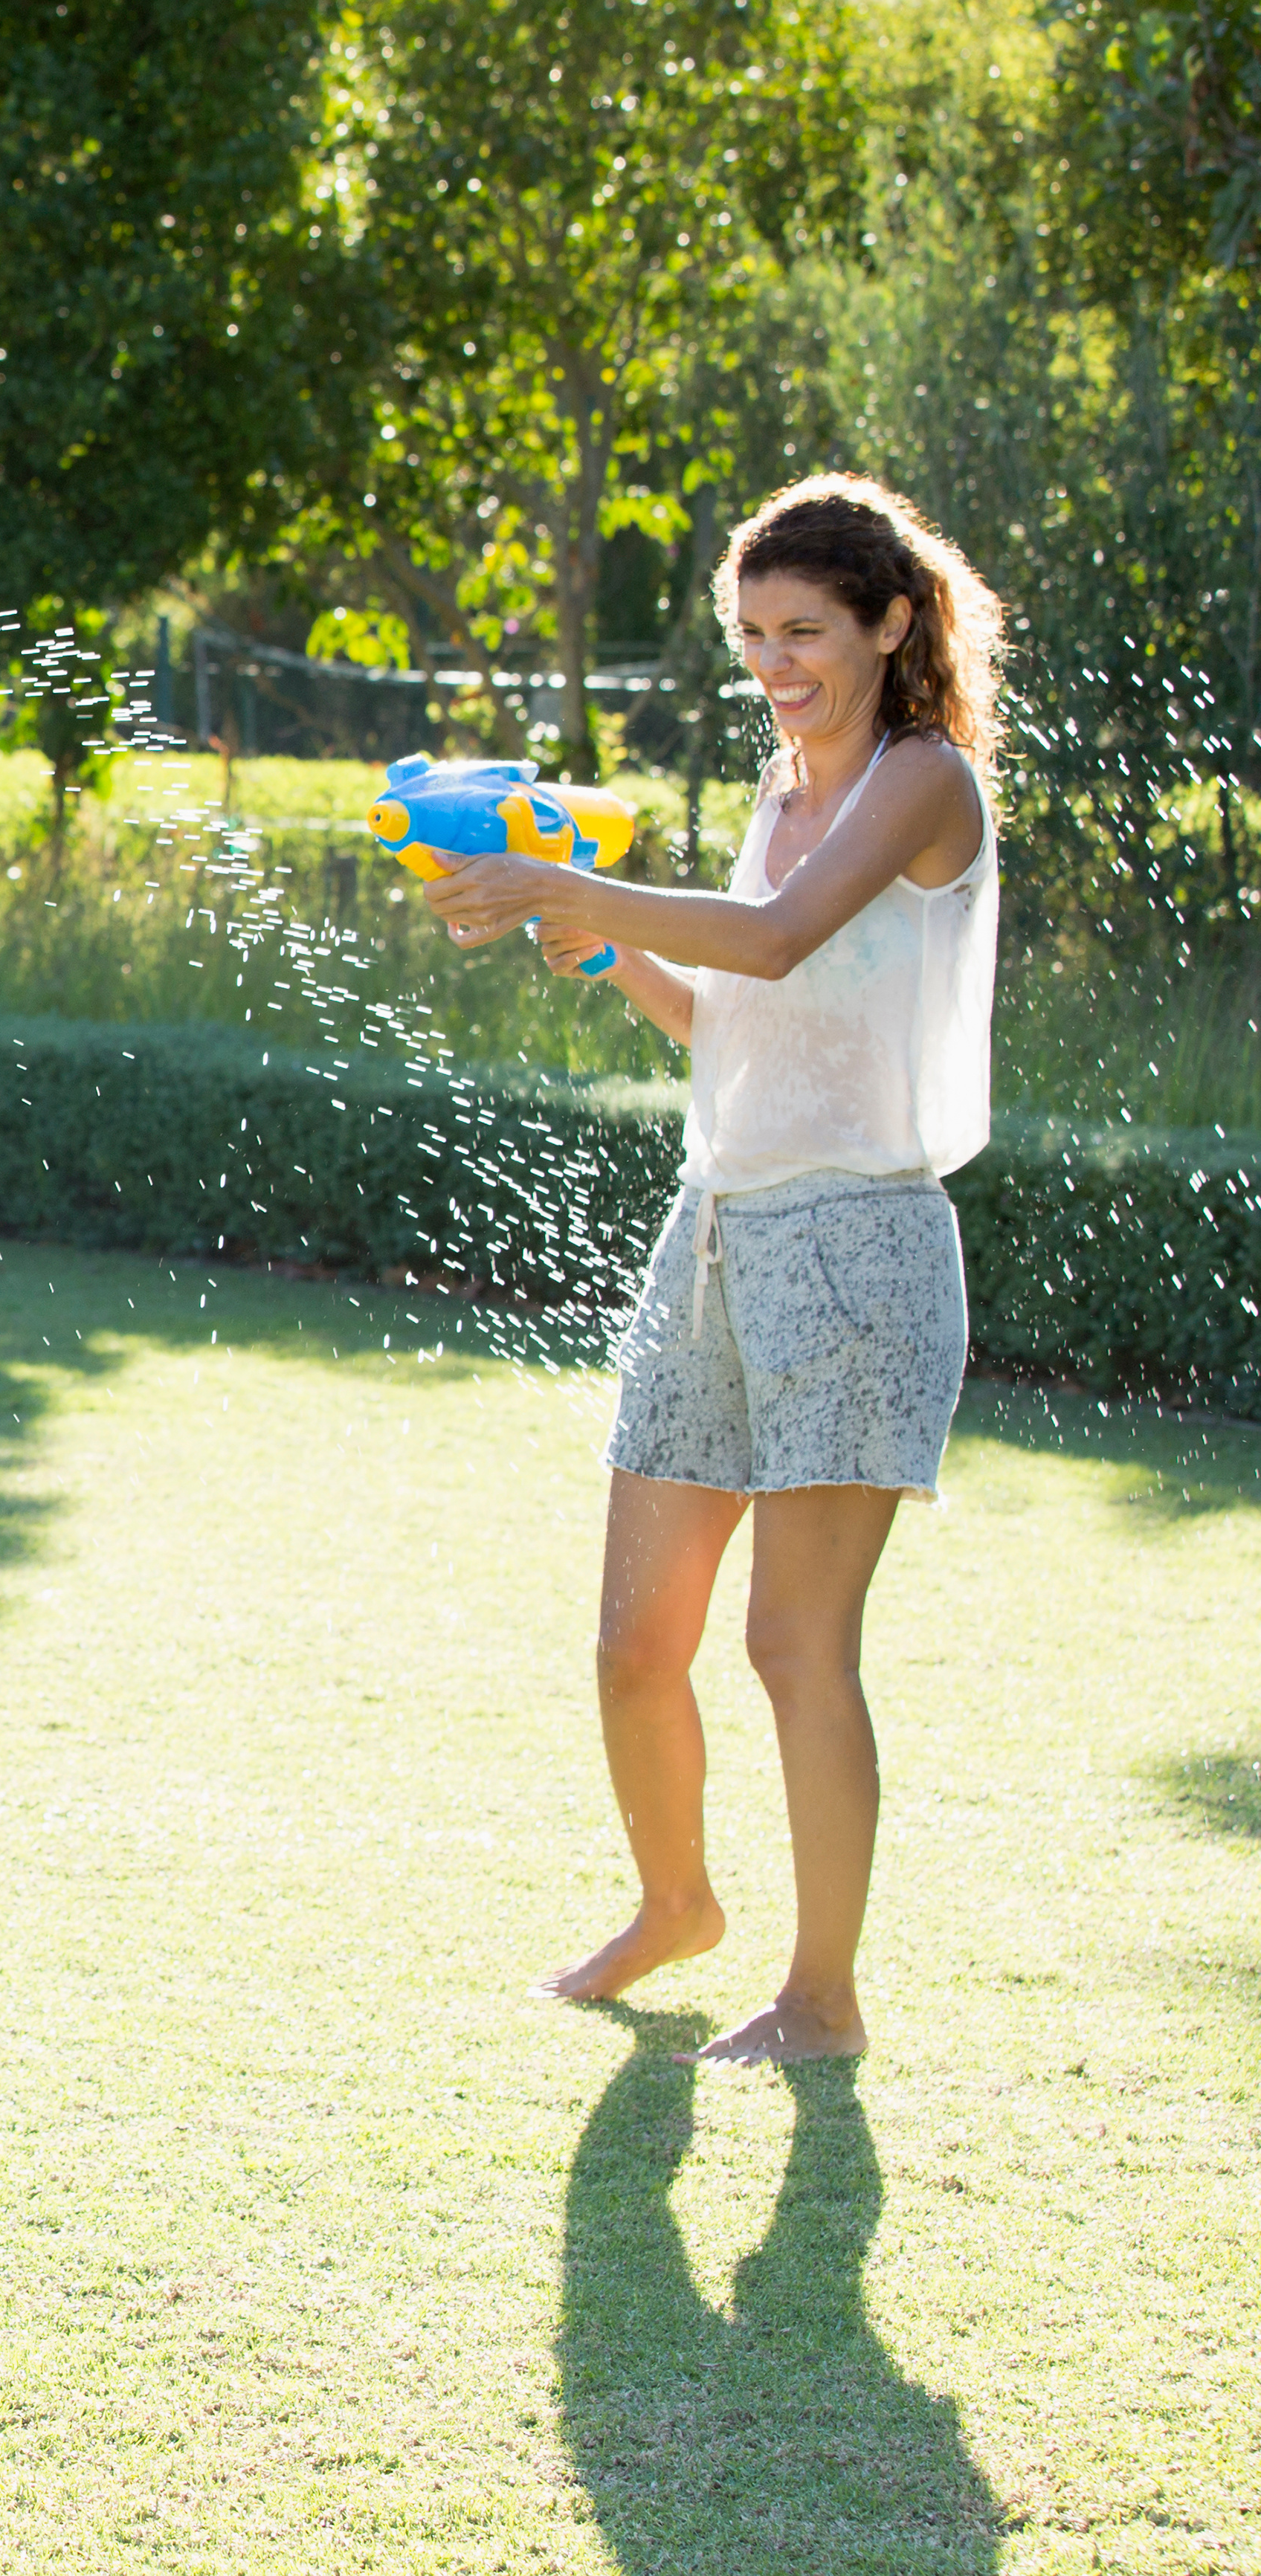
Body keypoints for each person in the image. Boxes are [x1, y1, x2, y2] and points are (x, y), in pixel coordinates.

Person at [420, 474, 1008, 2067]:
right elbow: (724, 1009)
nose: (776, 661)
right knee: (633, 1639)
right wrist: (611, 950)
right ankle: (675, 1902)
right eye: (751, 634)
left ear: (890, 623)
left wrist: (576, 888)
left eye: (805, 630)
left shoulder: (917, 779)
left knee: (791, 1645)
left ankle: (823, 1998)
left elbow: (778, 940)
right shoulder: (783, 783)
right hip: (718, 1227)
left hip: (862, 1242)